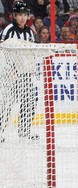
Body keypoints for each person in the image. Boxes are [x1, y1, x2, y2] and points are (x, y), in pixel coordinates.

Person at [0, 1, 39, 141]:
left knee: (29, 100)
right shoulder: (8, 30)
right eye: (19, 15)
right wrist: (9, 69)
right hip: (8, 74)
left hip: (25, 73)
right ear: (14, 16)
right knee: (6, 103)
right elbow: (2, 51)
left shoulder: (29, 32)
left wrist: (32, 67)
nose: (22, 18)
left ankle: (24, 130)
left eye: (25, 15)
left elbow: (31, 52)